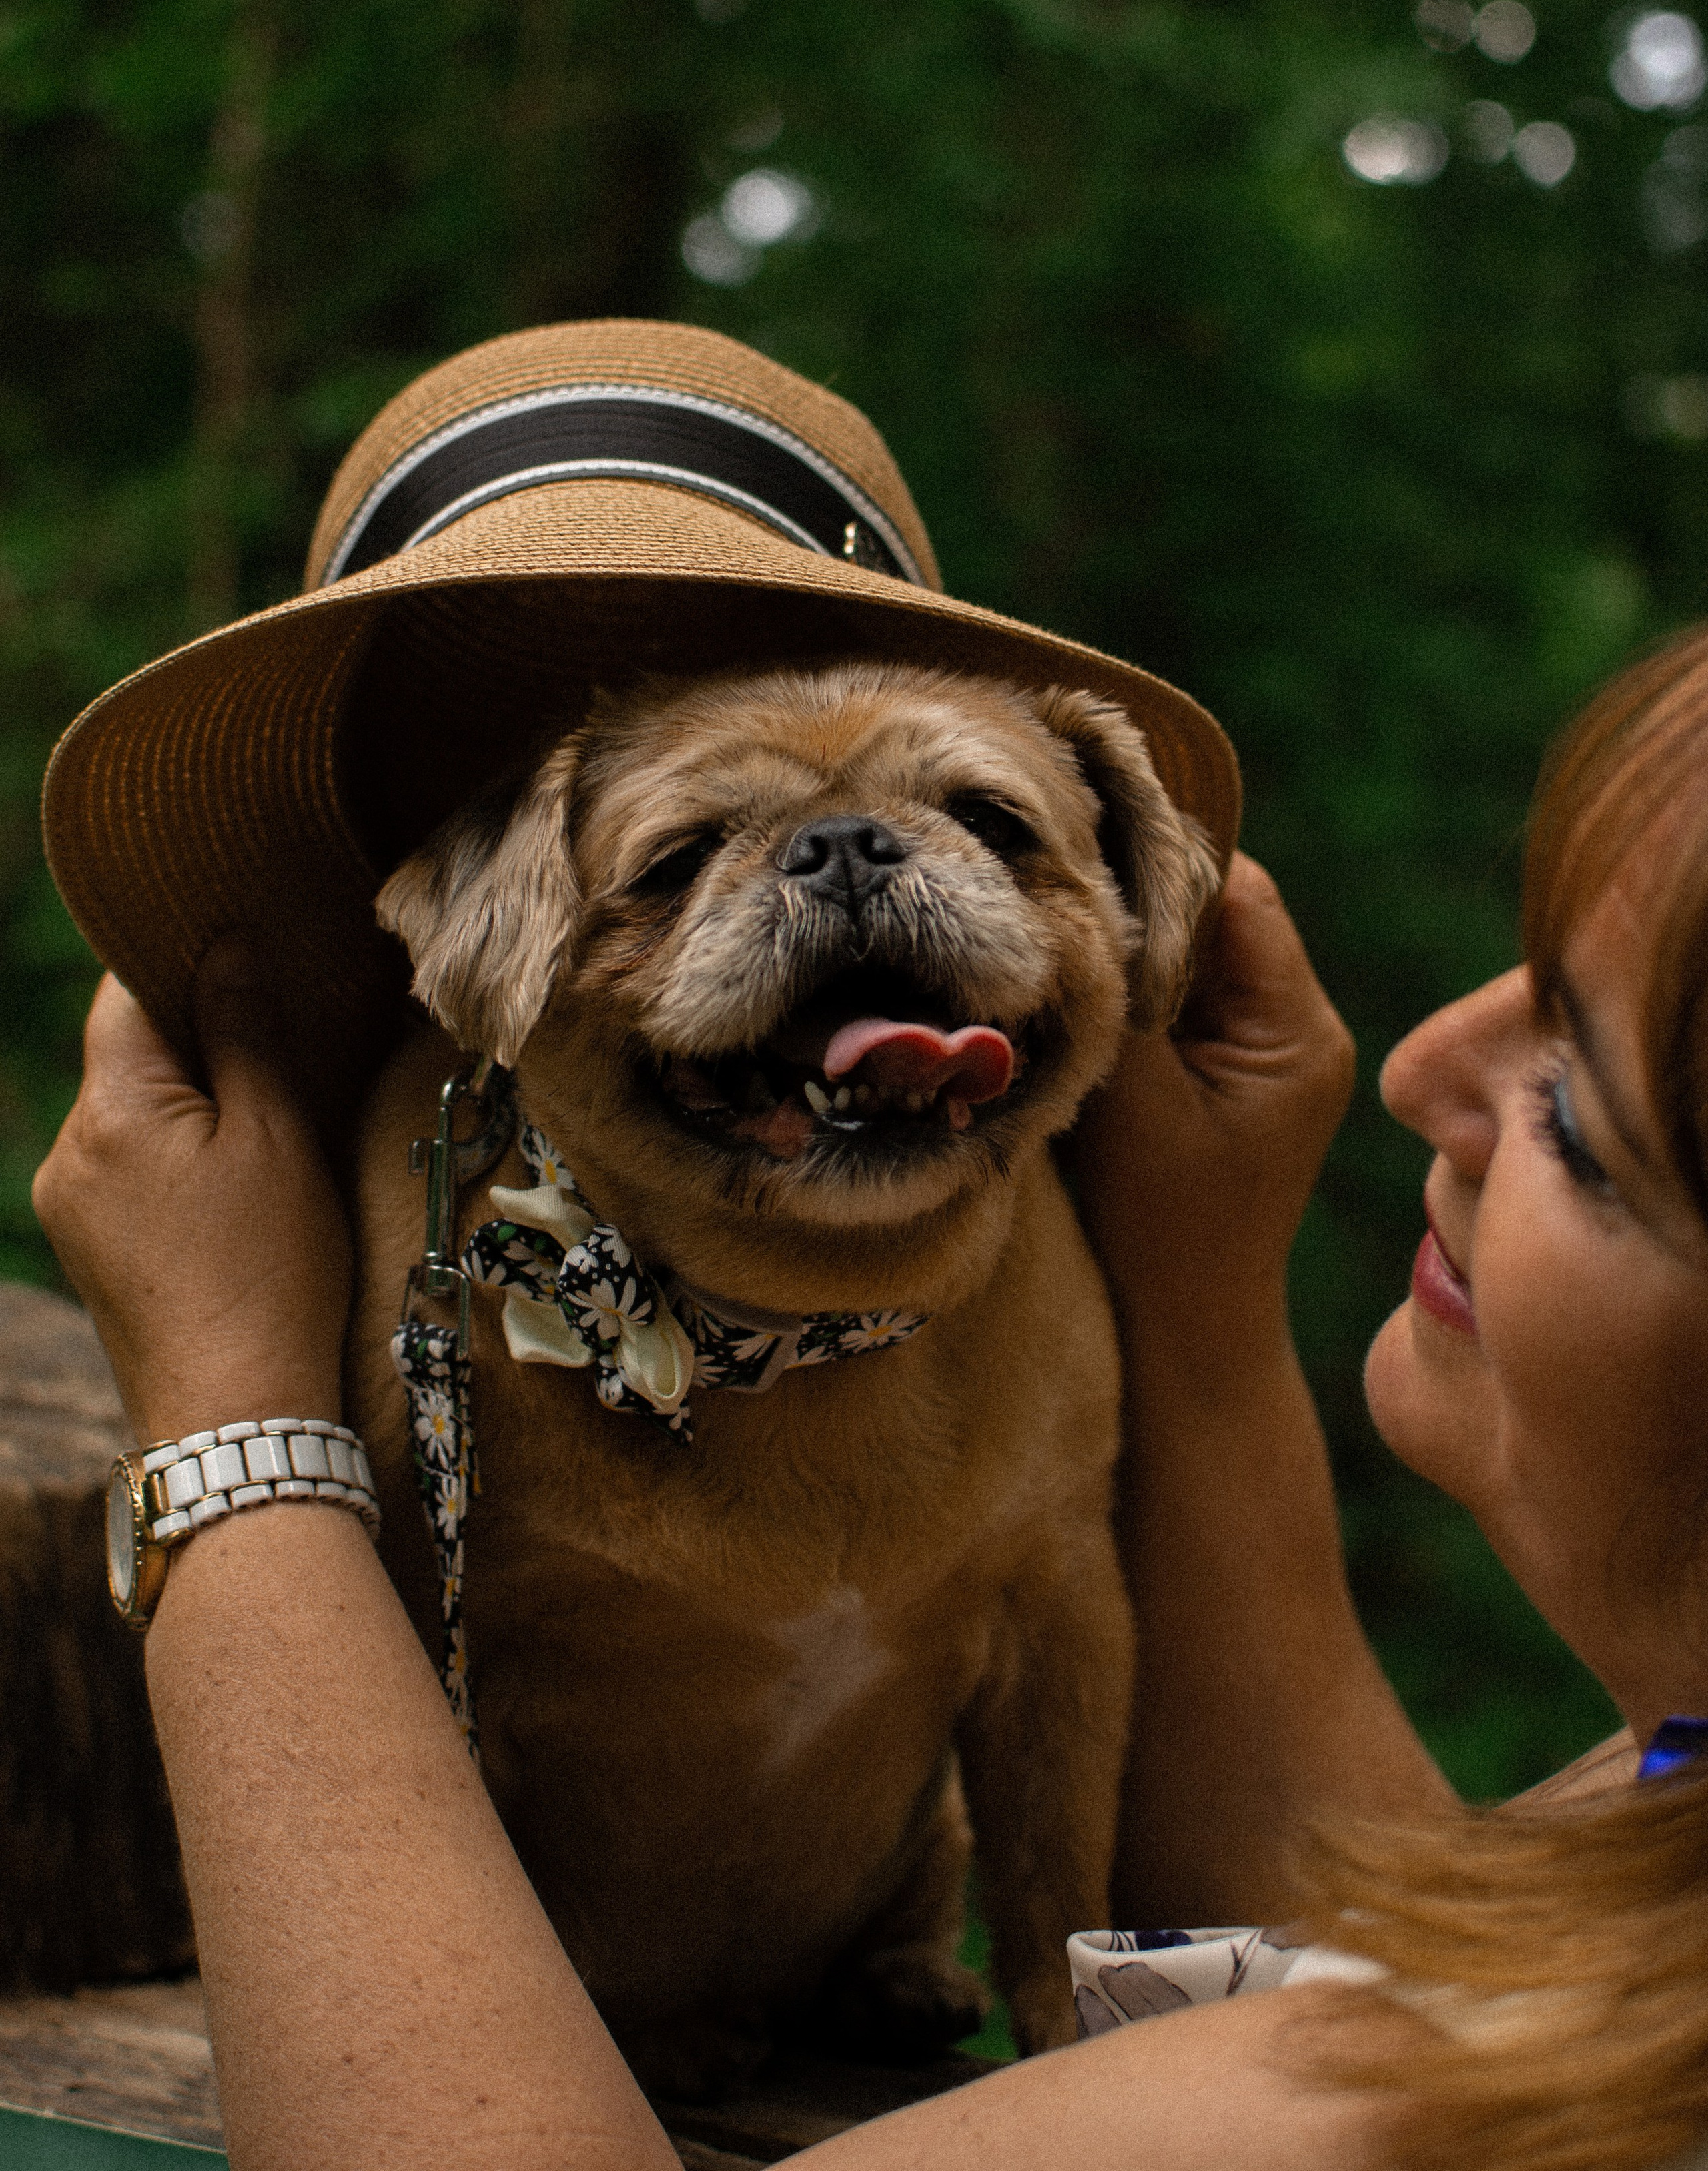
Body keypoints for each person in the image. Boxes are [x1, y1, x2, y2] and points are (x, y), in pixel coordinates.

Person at [31, 624, 1708, 2171]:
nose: (1406, 1068)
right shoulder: (1652, 1834)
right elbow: (1387, 1960)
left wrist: (222, 1413)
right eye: (682, 862)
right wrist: (1201, 1305)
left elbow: (1349, 2050)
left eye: (1577, 1118)